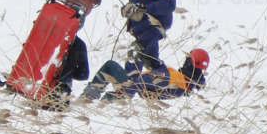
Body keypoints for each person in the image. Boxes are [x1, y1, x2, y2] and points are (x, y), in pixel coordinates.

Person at [81, 48, 209, 102]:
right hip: (136, 89)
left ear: (188, 63)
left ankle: (87, 97)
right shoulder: (188, 84)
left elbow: (142, 82)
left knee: (110, 65)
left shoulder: (174, 77)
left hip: (130, 88)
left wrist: (122, 93)